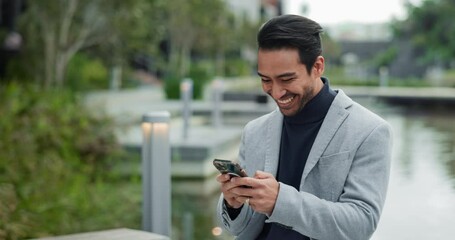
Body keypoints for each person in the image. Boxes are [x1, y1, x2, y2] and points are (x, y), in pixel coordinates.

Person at [216, 14, 393, 240]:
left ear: (318, 66)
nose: (277, 92)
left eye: (287, 79)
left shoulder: (370, 131)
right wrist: (234, 204)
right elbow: (238, 229)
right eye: (266, 80)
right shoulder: (254, 130)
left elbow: (361, 223)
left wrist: (280, 201)